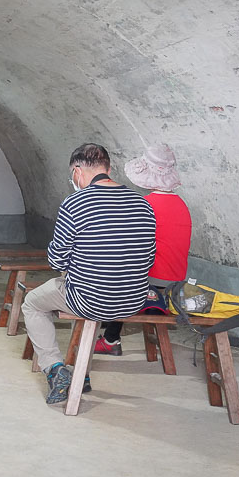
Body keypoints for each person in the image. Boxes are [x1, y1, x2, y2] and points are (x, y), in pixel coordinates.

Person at [20, 143, 156, 403]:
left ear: (78, 172)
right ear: (108, 168)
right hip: (132, 300)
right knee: (82, 285)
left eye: (73, 174)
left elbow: (56, 258)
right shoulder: (143, 204)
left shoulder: (75, 203)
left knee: (33, 303)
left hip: (89, 299)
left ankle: (56, 369)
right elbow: (148, 258)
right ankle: (81, 374)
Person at [95, 143, 192, 354]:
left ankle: (110, 338)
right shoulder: (182, 205)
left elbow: (124, 247)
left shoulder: (145, 205)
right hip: (176, 279)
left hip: (152, 281)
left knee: (108, 273)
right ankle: (109, 329)